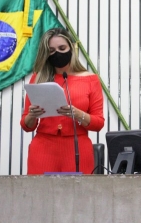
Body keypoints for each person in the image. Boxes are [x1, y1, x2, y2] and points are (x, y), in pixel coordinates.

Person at [20, 28, 105, 174]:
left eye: (62, 48)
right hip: (42, 149)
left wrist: (78, 114)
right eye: (51, 50)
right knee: (40, 195)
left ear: (71, 47)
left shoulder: (91, 79)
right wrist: (32, 115)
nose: (57, 53)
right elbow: (26, 126)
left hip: (78, 148)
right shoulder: (38, 78)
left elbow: (98, 124)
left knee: (78, 195)